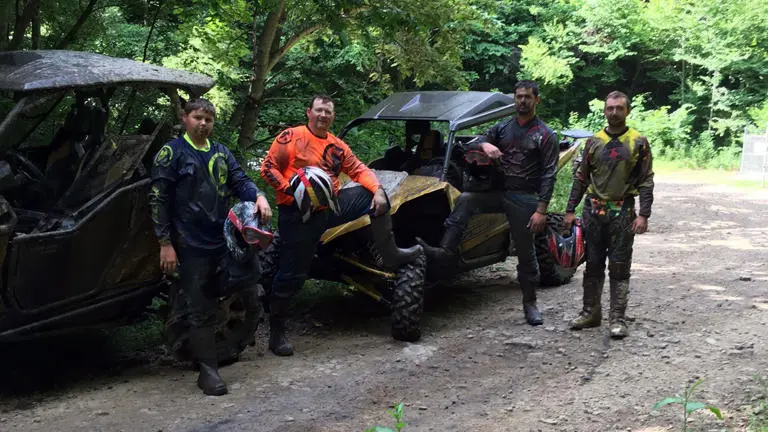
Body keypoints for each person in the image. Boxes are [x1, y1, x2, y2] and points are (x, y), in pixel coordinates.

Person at [260, 94, 423, 356]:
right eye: (319, 111)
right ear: (309, 112)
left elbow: (358, 169)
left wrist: (379, 190)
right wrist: (290, 188)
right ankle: (277, 331)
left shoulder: (337, 145)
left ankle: (390, 253)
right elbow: (267, 168)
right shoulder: (290, 138)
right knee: (293, 273)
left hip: (330, 207)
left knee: (373, 194)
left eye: (328, 112)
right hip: (297, 212)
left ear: (333, 116)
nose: (323, 115)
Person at [149, 98, 272, 396]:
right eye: (198, 118)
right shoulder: (172, 153)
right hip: (189, 243)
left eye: (208, 119)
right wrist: (165, 243)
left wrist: (258, 196)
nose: (203, 124)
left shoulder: (220, 152)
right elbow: (158, 198)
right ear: (185, 118)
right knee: (200, 306)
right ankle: (208, 371)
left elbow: (239, 180)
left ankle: (236, 338)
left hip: (224, 237)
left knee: (248, 277)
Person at [418, 80, 559, 326]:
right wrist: (485, 143)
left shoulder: (545, 135)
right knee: (466, 199)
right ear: (514, 99)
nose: (522, 101)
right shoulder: (503, 127)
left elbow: (549, 174)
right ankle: (445, 252)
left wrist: (541, 210)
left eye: (527, 97)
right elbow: (470, 144)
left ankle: (530, 303)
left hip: (524, 196)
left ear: (537, 100)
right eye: (518, 97)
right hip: (496, 190)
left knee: (526, 253)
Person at [565, 90, 654, 339]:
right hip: (593, 210)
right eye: (610, 108)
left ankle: (618, 318)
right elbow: (581, 177)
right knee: (592, 263)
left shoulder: (638, 142)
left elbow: (646, 179)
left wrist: (644, 214)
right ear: (604, 111)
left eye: (619, 108)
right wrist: (570, 210)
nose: (614, 112)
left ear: (627, 111)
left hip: (623, 210)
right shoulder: (593, 142)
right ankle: (590, 312)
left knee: (619, 266)